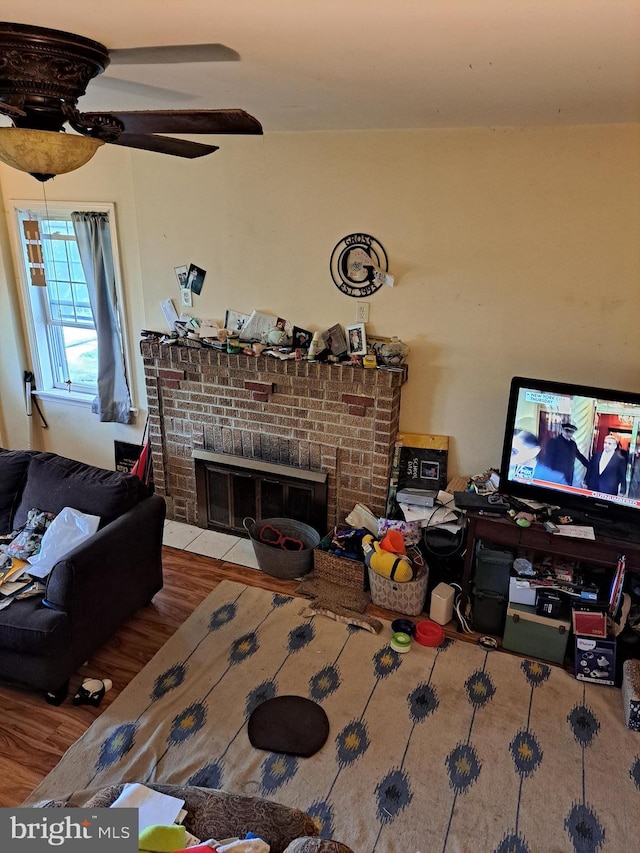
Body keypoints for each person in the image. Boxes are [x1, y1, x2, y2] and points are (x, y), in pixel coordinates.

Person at [543, 422, 589, 486]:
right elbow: (548, 461)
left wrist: (590, 466)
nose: (569, 434)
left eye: (571, 432)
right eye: (567, 431)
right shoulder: (554, 442)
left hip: (568, 477)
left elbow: (580, 456)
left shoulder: (573, 444)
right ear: (562, 430)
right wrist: (549, 476)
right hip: (556, 476)